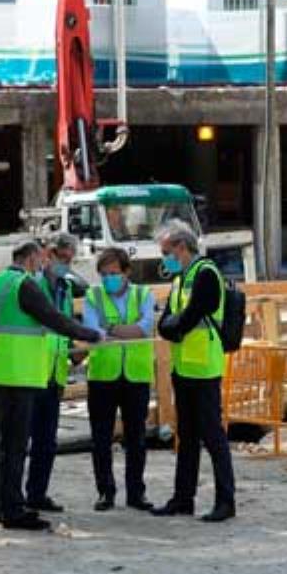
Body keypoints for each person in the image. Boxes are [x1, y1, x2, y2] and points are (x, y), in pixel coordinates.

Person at [0, 241, 101, 531]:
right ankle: (14, 511)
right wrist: (90, 334)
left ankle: (3, 507)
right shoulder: (24, 285)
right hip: (19, 376)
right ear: (32, 258)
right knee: (14, 448)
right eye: (42, 258)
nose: (44, 264)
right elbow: (53, 319)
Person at [151, 219, 236, 523]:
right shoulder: (179, 279)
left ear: (182, 247)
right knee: (185, 437)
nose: (164, 258)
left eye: (166, 251)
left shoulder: (206, 274)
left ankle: (226, 501)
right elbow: (167, 322)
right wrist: (172, 326)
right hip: (184, 367)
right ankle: (182, 498)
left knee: (213, 437)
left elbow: (187, 318)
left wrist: (173, 326)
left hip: (204, 366)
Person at [83, 247, 157, 513]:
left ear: (127, 272)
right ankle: (106, 491)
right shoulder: (93, 295)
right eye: (104, 274)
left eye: (113, 273)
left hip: (135, 375)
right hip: (103, 376)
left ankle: (136, 493)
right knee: (100, 438)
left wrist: (111, 328)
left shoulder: (143, 294)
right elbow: (93, 331)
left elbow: (145, 327)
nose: (108, 279)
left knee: (136, 437)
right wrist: (128, 329)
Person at [24, 233, 79, 514]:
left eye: (69, 259)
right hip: (32, 372)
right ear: (48, 254)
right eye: (61, 258)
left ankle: (37, 494)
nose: (65, 264)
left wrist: (73, 349)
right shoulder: (32, 286)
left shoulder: (66, 289)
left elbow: (64, 326)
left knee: (46, 441)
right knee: (24, 439)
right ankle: (15, 496)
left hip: (55, 374)